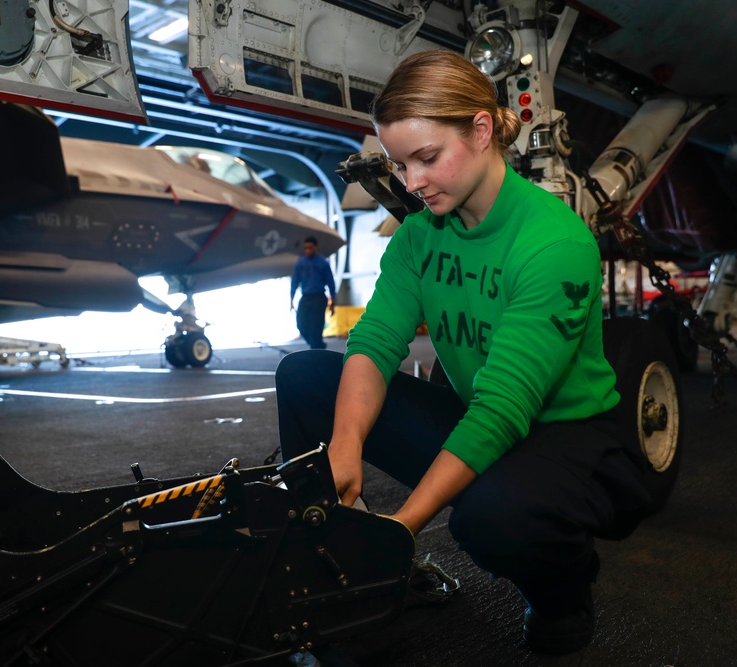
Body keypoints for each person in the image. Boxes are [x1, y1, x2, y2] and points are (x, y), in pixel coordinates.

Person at [275, 50, 650, 654]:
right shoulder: (420, 236)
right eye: (400, 163)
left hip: (566, 435)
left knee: (492, 520)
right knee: (305, 376)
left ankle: (561, 596)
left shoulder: (553, 242)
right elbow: (373, 344)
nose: (412, 183)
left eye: (427, 158)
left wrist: (398, 531)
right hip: (477, 409)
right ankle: (332, 559)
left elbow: (504, 408)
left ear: (481, 130)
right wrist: (342, 449)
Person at [289, 236, 337, 349]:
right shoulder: (300, 263)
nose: (307, 250)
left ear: (316, 248)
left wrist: (333, 301)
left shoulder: (323, 263)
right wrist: (291, 300)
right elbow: (294, 282)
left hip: (319, 297)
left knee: (316, 327)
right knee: (301, 324)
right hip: (306, 297)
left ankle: (316, 348)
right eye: (305, 248)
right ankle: (317, 346)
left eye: (310, 248)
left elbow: (331, 282)